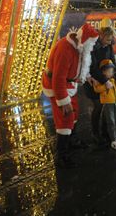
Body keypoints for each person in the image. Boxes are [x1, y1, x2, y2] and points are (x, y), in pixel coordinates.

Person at [42, 23, 99, 168]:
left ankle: (72, 140)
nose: (91, 46)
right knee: (65, 118)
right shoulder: (65, 49)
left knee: (75, 113)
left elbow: (81, 65)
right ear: (84, 40)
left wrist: (87, 76)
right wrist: (63, 101)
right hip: (57, 87)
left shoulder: (80, 47)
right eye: (91, 42)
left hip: (70, 85)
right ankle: (61, 155)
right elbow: (58, 78)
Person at [83, 26, 116, 145]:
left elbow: (113, 62)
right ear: (101, 36)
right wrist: (105, 80)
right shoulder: (93, 47)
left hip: (107, 81)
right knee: (98, 106)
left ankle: (107, 132)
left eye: (111, 40)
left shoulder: (109, 46)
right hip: (94, 81)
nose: (110, 42)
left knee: (108, 106)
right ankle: (95, 133)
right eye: (108, 39)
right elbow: (93, 68)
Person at [92, 60, 116, 150]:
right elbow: (96, 89)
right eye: (109, 71)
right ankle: (113, 139)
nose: (111, 73)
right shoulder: (100, 82)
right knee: (111, 122)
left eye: (112, 71)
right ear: (103, 72)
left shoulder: (113, 79)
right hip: (108, 104)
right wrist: (105, 86)